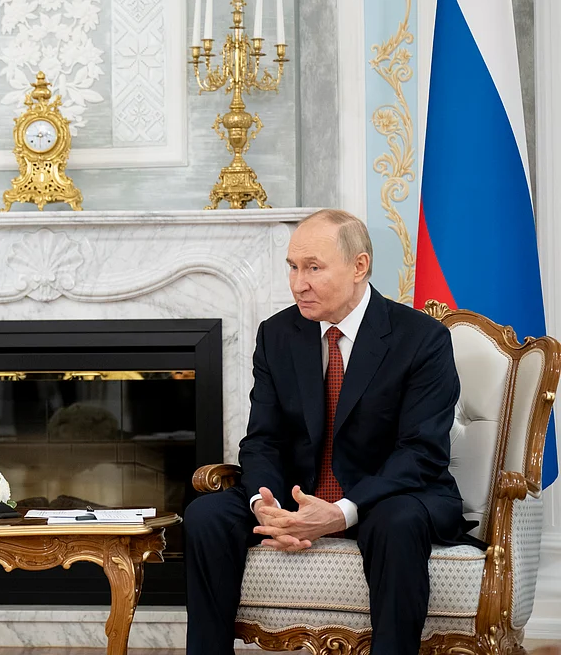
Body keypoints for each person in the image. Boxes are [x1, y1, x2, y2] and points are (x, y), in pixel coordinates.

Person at [184, 209, 472, 655]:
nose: (299, 283)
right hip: (295, 493)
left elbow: (421, 452)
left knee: (397, 522)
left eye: (313, 268)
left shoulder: (421, 338)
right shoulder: (277, 334)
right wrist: (266, 506)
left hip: (387, 497)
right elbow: (263, 440)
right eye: (293, 267)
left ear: (359, 266)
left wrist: (340, 512)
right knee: (206, 515)